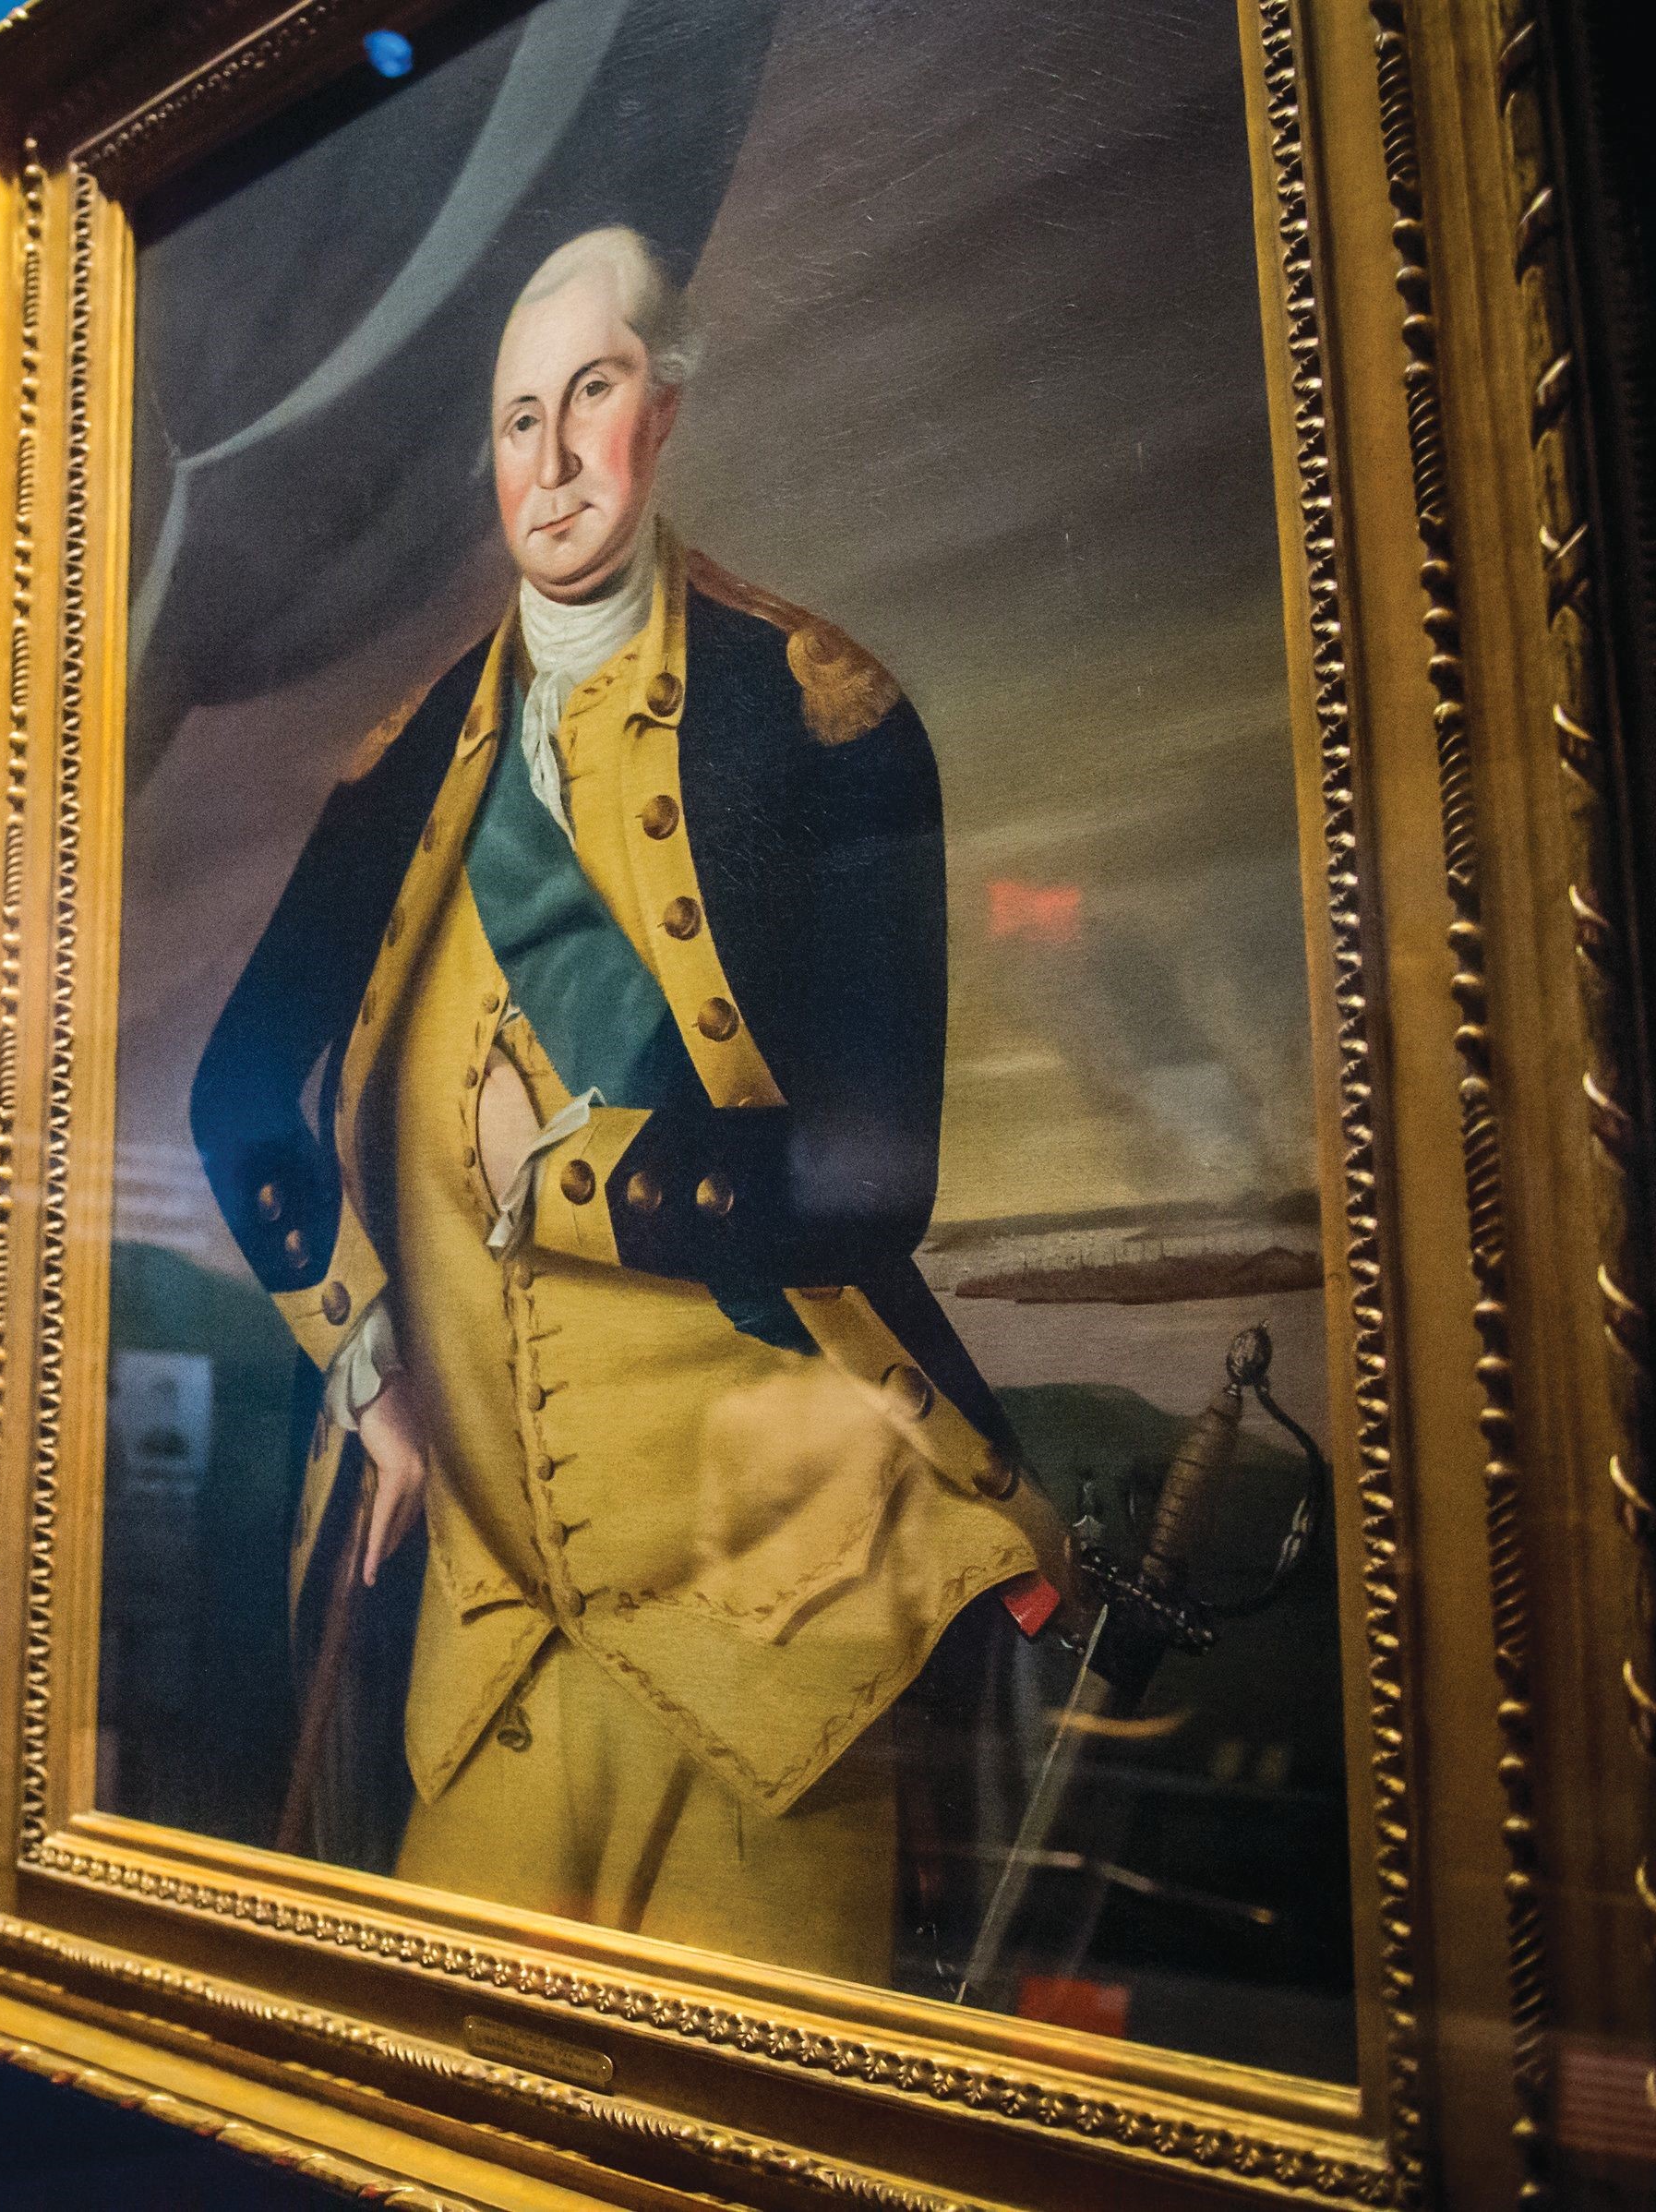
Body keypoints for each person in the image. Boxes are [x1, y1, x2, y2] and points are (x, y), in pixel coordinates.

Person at [189, 226, 1070, 1981]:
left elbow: (871, 1181)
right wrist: (369, 1382)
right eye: (520, 418)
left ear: (665, 412)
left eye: (593, 395)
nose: (556, 458)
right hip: (492, 1637)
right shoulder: (398, 772)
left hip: (785, 1645)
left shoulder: (824, 721)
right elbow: (236, 1101)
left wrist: (578, 1183)